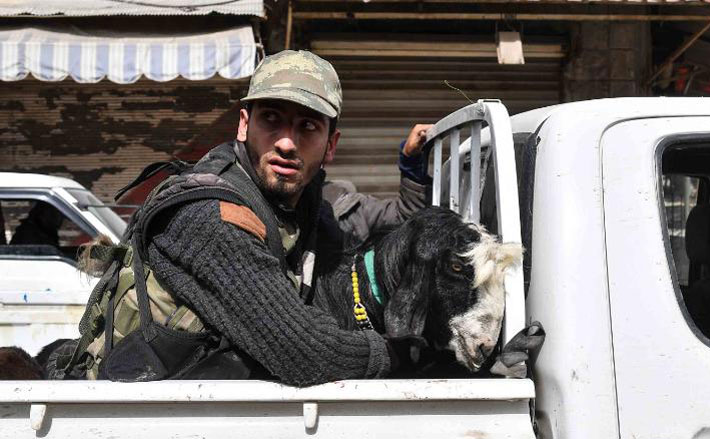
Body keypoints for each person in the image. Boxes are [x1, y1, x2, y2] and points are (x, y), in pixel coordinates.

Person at [50, 50, 431, 385]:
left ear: (331, 145)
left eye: (308, 126)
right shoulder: (209, 216)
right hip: (128, 413)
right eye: (272, 119)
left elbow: (403, 233)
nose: (286, 142)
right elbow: (303, 352)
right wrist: (407, 354)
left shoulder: (303, 209)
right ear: (244, 124)